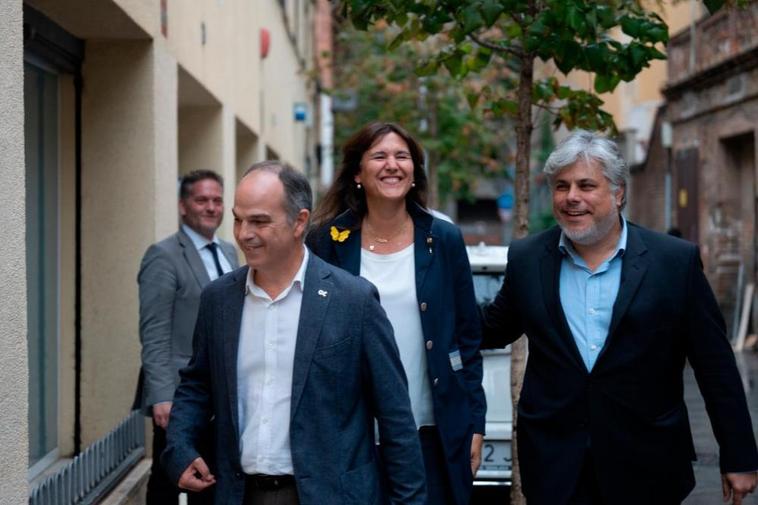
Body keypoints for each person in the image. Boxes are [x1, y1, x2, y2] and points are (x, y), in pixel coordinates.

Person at [482, 130, 758, 505]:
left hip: (648, 462)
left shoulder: (673, 262)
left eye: (586, 185)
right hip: (555, 464)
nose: (571, 197)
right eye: (561, 186)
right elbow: (492, 329)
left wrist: (740, 455)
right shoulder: (528, 258)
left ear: (618, 193)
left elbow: (716, 366)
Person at [162, 161, 426, 505]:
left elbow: (395, 417)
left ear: (300, 221)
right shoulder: (218, 299)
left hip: (331, 495)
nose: (243, 234)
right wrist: (179, 448)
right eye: (239, 219)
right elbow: (197, 385)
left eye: (259, 221)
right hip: (238, 494)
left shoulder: (353, 300)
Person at [306, 122, 485, 505]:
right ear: (357, 173)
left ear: (414, 171)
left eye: (402, 156)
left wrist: (476, 422)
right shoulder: (326, 242)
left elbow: (468, 337)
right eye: (380, 156)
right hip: (351, 438)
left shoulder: (445, 239)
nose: (393, 165)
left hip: (431, 433)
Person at [136, 169, 238, 504]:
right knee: (169, 482)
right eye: (201, 200)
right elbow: (154, 331)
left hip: (220, 390)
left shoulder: (229, 251)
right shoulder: (163, 255)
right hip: (180, 394)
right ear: (183, 206)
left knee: (211, 478)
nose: (211, 207)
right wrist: (162, 396)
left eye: (217, 200)